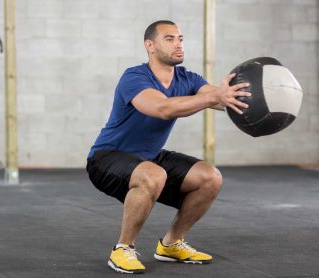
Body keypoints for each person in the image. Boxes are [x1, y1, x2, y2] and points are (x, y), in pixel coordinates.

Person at [86, 20, 251, 274]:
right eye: (170, 39)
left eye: (181, 38)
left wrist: (243, 97)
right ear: (149, 46)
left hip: (150, 158)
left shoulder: (189, 78)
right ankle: (122, 249)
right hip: (107, 157)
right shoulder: (135, 77)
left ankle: (171, 244)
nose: (178, 44)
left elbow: (218, 98)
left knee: (210, 177)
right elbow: (162, 108)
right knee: (153, 174)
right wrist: (212, 97)